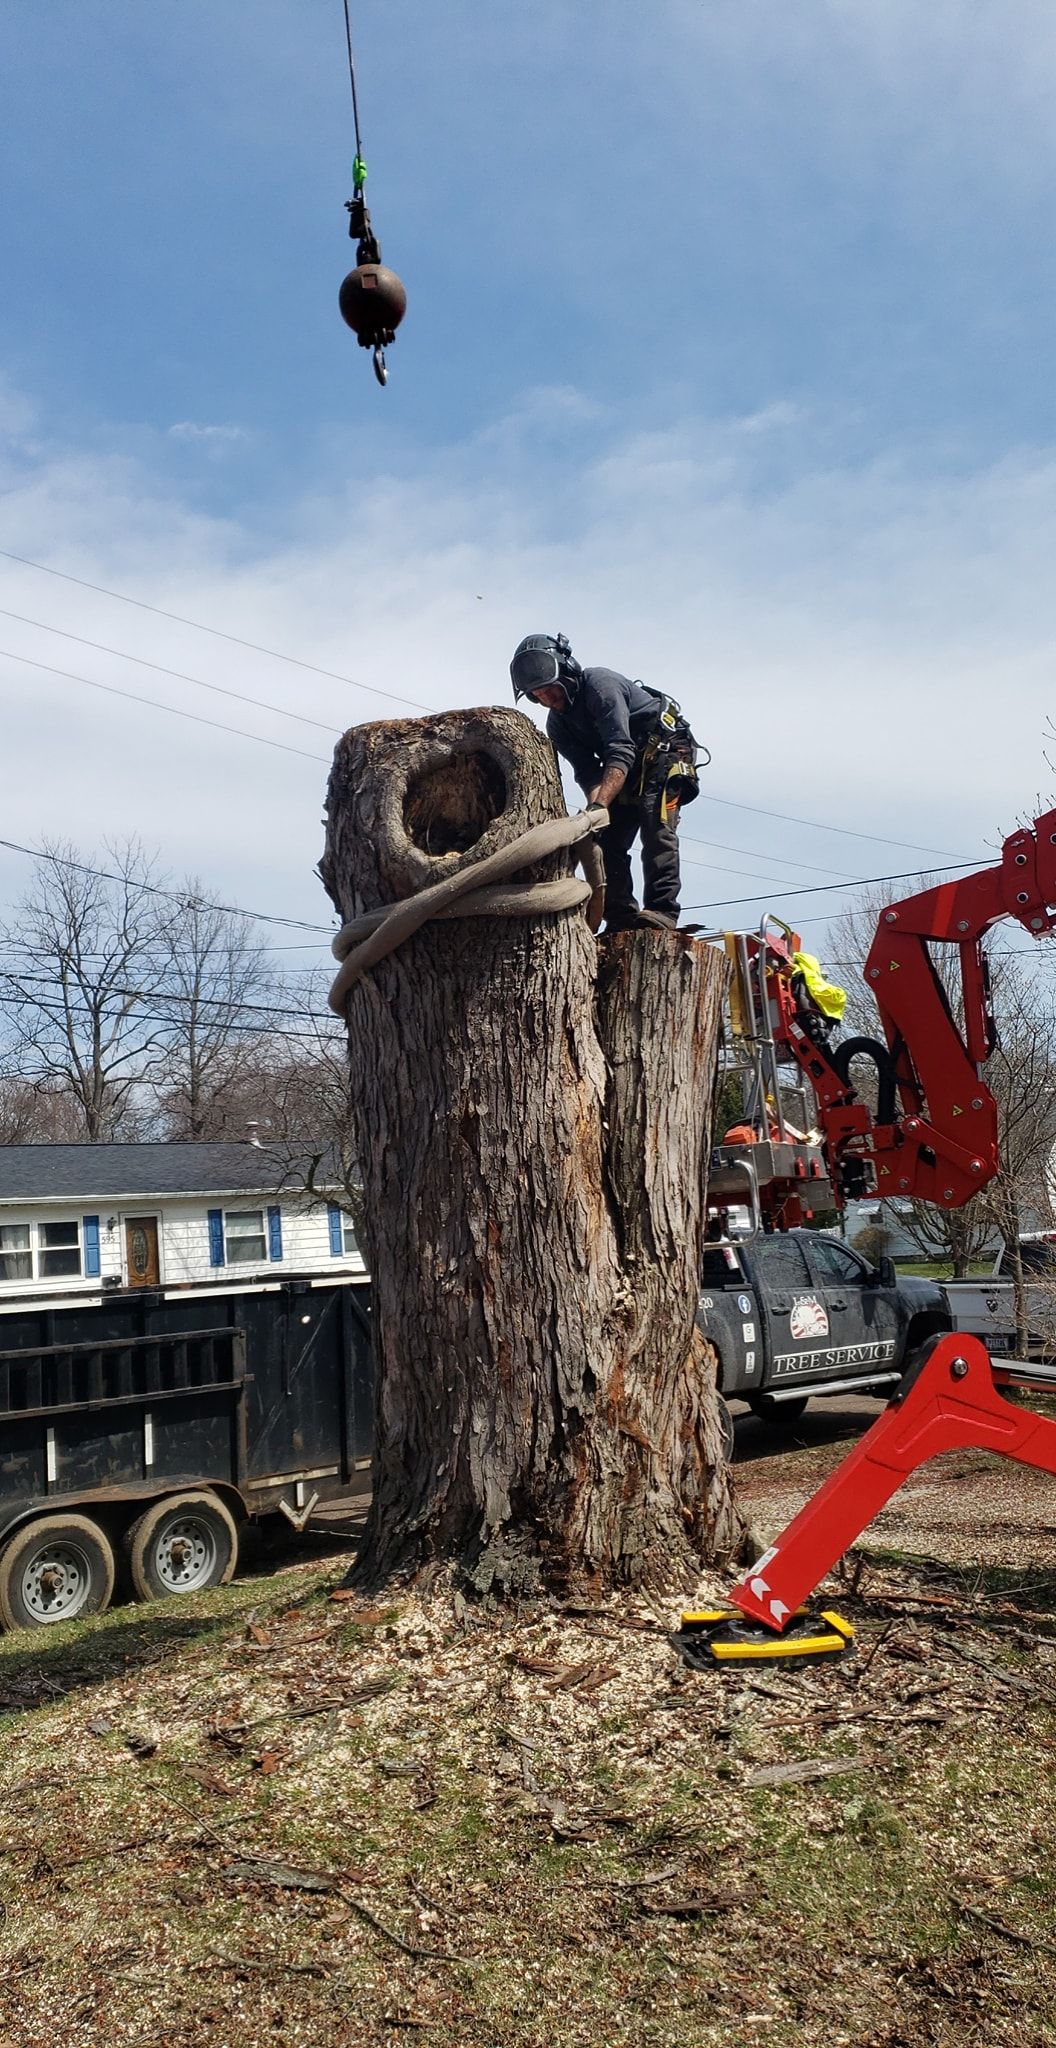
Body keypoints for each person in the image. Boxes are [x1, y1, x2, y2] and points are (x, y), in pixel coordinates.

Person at [509, 632, 701, 931]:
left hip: (664, 753)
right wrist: (596, 814)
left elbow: (619, 747)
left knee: (656, 826)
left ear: (568, 670)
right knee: (606, 838)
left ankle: (662, 911)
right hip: (623, 768)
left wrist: (599, 804)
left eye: (549, 688)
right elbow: (587, 772)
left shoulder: (601, 685)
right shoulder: (557, 724)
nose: (546, 697)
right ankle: (620, 916)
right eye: (537, 694)